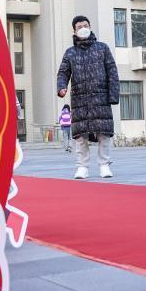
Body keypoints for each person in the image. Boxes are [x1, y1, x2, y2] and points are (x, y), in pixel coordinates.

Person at [57, 15, 120, 179]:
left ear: (90, 27)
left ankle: (104, 165)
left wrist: (113, 95)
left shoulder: (102, 48)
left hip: (101, 98)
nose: (83, 28)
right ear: (74, 31)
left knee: (104, 134)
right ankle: (82, 167)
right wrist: (61, 87)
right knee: (80, 136)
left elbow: (112, 72)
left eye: (85, 25)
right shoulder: (70, 52)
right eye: (79, 27)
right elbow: (63, 72)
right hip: (80, 100)